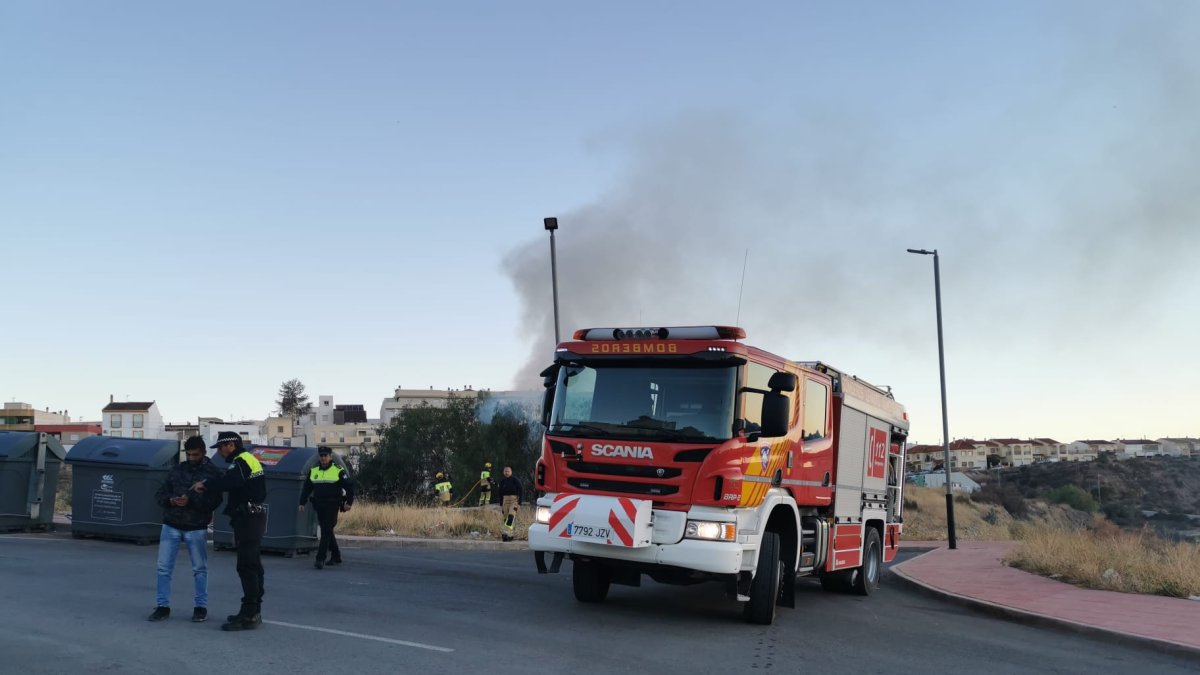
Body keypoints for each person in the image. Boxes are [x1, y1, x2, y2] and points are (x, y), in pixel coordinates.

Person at [193, 431, 267, 631]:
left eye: (221, 447)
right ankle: (253, 610)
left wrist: (206, 484)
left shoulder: (241, 460)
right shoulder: (247, 459)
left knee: (247, 566)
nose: (220, 452)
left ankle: (250, 615)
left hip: (248, 518)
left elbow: (230, 483)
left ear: (231, 445)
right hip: (250, 517)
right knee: (252, 564)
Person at [147, 436, 222, 623]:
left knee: (200, 569)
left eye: (195, 454)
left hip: (196, 527)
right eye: (188, 454)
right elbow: (160, 494)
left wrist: (192, 501)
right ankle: (162, 606)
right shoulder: (177, 469)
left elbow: (216, 501)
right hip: (171, 524)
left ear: (203, 452)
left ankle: (200, 607)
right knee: (164, 568)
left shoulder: (213, 473)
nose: (191, 458)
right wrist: (171, 501)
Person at [299, 446, 354, 569]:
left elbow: (350, 487)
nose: (323, 458)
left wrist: (349, 503)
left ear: (330, 457)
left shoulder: (338, 470)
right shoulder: (314, 471)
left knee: (325, 530)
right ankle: (336, 555)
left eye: (326, 455)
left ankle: (320, 558)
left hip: (333, 504)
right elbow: (307, 488)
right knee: (327, 530)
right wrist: (302, 502)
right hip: (319, 505)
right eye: (321, 456)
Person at [496, 466, 522, 542]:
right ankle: (509, 535)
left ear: (511, 472)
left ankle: (507, 533)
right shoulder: (502, 481)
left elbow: (521, 489)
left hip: (514, 500)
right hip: (505, 500)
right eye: (505, 471)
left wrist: (519, 503)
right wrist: (501, 503)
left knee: (511, 517)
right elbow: (500, 492)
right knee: (505, 518)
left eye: (508, 471)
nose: (506, 472)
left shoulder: (515, 480)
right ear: (503, 472)